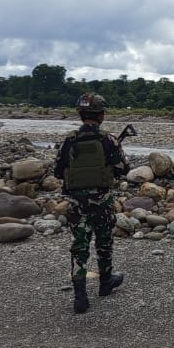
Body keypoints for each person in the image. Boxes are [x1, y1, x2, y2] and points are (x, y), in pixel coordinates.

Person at [54, 93, 130, 314]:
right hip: (102, 201)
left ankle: (80, 297)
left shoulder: (69, 141)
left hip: (77, 203)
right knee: (104, 242)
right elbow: (123, 169)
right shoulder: (108, 140)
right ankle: (105, 282)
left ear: (81, 114)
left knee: (79, 247)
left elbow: (58, 171)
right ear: (101, 115)